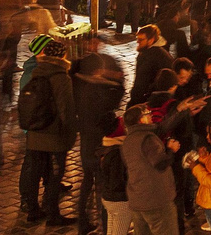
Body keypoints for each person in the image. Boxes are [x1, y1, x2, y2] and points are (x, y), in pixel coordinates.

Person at [19, 34, 77, 224]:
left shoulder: (36, 72)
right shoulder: (61, 76)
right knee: (54, 175)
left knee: (35, 172)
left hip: (35, 132)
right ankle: (52, 214)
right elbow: (66, 108)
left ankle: (33, 210)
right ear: (61, 56)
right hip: (53, 135)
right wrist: (70, 133)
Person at [73, 33, 126, 235]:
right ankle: (96, 224)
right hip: (95, 134)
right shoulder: (80, 67)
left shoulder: (108, 63)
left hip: (92, 131)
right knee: (96, 180)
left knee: (93, 179)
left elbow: (120, 89)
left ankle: (95, 224)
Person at [121, 104, 180, 235]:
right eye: (148, 113)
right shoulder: (147, 138)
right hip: (156, 199)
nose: (151, 115)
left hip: (138, 200)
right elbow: (160, 164)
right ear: (140, 120)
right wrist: (171, 149)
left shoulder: (128, 140)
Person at [98, 120, 132, 235]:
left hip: (109, 197)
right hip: (119, 201)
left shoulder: (107, 147)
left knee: (112, 231)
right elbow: (117, 181)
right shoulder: (117, 153)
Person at [129, 25, 175, 107]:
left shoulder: (152, 57)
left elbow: (141, 82)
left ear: (151, 40)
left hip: (151, 100)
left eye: (141, 39)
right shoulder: (149, 51)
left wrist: (134, 102)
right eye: (137, 39)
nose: (138, 42)